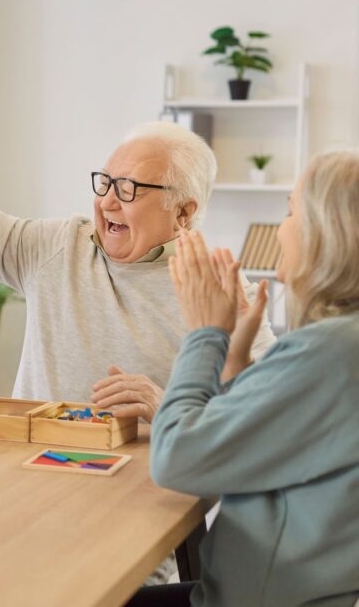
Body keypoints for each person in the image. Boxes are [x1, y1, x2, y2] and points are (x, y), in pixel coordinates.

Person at [0, 45, 276, 421]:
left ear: (184, 212)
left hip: (142, 484)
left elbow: (263, 410)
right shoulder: (58, 246)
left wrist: (165, 406)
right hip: (38, 471)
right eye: (105, 182)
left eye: (129, 188)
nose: (107, 202)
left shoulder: (217, 287)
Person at [134, 152, 359, 606]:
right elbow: (260, 436)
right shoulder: (341, 346)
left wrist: (204, 335)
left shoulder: (332, 351)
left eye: (291, 210)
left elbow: (176, 458)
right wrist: (235, 354)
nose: (280, 227)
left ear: (325, 233)